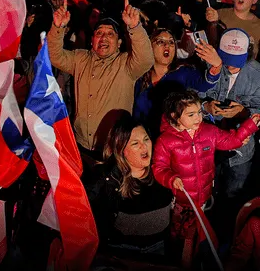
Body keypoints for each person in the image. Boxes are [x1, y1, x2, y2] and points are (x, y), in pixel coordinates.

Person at [152, 90, 260, 268]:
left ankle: (201, 260)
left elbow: (229, 140)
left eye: (199, 112)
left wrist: (249, 126)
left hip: (205, 198)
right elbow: (159, 167)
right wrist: (170, 178)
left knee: (203, 235)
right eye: (191, 114)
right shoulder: (166, 141)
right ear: (175, 116)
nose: (198, 118)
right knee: (183, 239)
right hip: (182, 203)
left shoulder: (209, 131)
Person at [47, 0, 154, 160]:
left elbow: (146, 60)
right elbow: (53, 56)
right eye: (99, 33)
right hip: (80, 145)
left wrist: (135, 27)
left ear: (119, 43)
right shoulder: (80, 58)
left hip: (113, 150)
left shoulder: (126, 64)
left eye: (110, 34)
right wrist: (57, 27)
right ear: (92, 41)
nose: (103, 38)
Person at [84, 113, 173, 264]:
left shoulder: (163, 172)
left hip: (158, 251)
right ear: (121, 149)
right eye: (135, 143)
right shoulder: (108, 181)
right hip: (122, 254)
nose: (144, 146)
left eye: (146, 139)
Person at [133, 28, 222, 141]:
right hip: (145, 140)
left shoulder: (181, 72)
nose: (167, 45)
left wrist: (216, 66)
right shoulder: (140, 76)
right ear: (149, 46)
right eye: (160, 41)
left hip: (174, 143)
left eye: (171, 42)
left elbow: (205, 84)